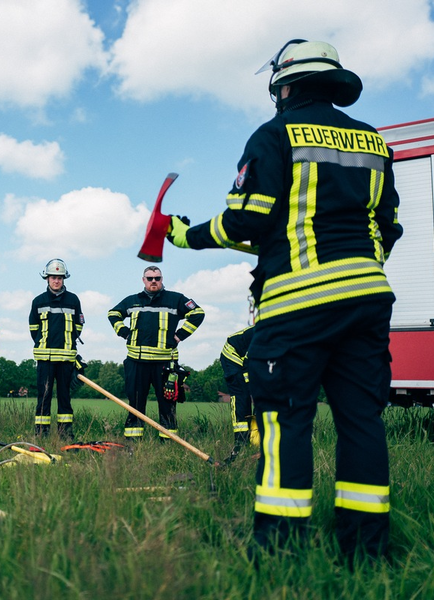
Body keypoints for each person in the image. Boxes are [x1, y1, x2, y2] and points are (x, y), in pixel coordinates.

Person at [164, 40, 403, 561]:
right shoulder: (374, 143)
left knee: (283, 420)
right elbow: (387, 226)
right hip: (367, 298)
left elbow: (248, 218)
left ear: (284, 86)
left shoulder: (274, 135)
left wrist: (187, 237)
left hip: (297, 305)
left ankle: (278, 550)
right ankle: (366, 553)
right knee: (361, 421)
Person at [108, 266, 205, 440]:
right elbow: (113, 313)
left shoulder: (176, 299)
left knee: (168, 404)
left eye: (157, 278)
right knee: (135, 403)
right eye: (150, 278)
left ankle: (168, 442)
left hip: (165, 363)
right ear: (143, 280)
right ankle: (133, 441)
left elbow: (198, 313)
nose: (154, 281)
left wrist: (180, 335)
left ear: (162, 279)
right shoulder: (132, 300)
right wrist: (124, 332)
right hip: (136, 362)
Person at [28, 259, 84, 439]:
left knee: (64, 397)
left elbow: (79, 326)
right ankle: (41, 433)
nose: (56, 281)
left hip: (66, 359)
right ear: (47, 278)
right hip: (45, 359)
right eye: (53, 277)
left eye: (59, 277)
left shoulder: (73, 300)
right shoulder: (38, 301)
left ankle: (65, 432)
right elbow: (33, 328)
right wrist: (42, 343)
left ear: (64, 279)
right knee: (43, 396)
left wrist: (68, 343)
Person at [220, 324, 255, 464]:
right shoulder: (267, 333)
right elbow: (250, 361)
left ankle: (255, 438)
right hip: (233, 355)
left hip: (248, 358)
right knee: (241, 397)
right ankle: (240, 441)